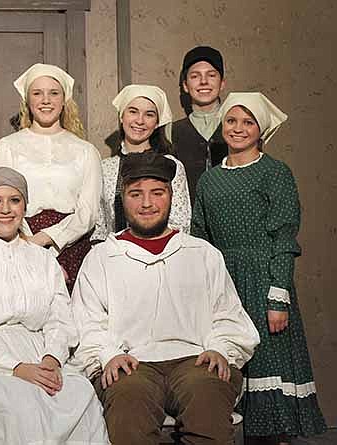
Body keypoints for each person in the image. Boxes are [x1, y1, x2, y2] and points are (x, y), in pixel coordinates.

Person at [74, 151, 259, 445]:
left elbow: (228, 315)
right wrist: (108, 354)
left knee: (207, 392)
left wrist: (221, 348)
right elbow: (87, 321)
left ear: (171, 196)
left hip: (194, 359)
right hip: (131, 362)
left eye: (157, 193)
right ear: (123, 198)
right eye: (136, 194)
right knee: (128, 397)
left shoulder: (201, 253)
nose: (146, 203)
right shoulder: (102, 257)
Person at [0, 167, 110, 444]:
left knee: (80, 394)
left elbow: (59, 316)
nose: (5, 209)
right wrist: (15, 367)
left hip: (42, 350)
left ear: (25, 207)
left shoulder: (43, 259)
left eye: (14, 200)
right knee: (20, 403)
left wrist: (52, 358)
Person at [192, 92, 327, 444]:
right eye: (231, 121)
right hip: (223, 281)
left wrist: (278, 296)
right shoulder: (208, 180)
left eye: (248, 122)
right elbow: (200, 237)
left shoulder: (275, 173)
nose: (238, 129)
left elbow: (284, 237)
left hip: (263, 280)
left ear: (261, 130)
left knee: (268, 370)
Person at [0, 63, 101, 291]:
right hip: (19, 242)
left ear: (64, 101)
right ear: (27, 101)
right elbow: (1, 203)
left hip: (73, 245)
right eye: (37, 93)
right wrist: (29, 245)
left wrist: (46, 238)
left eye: (53, 93)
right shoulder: (7, 147)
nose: (46, 100)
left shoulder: (86, 151)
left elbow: (88, 211)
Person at [91, 84, 191, 242]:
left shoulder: (170, 165)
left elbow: (180, 223)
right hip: (115, 255)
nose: (140, 120)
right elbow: (100, 225)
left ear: (157, 122)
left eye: (149, 115)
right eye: (133, 111)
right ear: (121, 116)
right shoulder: (104, 168)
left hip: (160, 255)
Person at [173, 46, 229, 203]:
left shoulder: (242, 129)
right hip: (187, 224)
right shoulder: (170, 133)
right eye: (195, 76)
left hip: (235, 223)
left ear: (222, 83)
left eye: (211, 75)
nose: (204, 82)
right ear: (185, 85)